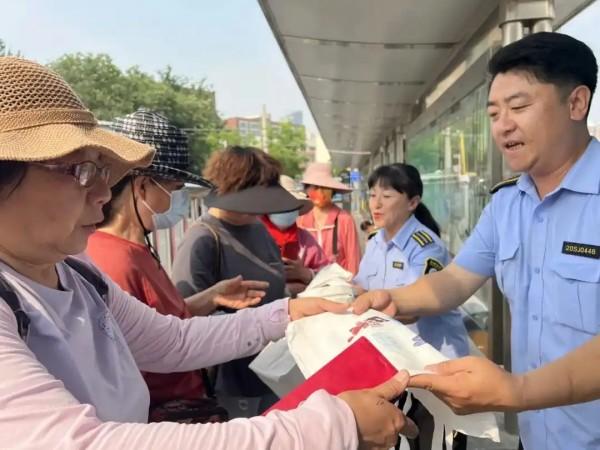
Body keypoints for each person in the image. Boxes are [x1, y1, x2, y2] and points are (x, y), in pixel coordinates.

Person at [0, 56, 418, 449]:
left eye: (103, 172)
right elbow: (84, 443)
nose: (103, 192)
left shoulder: (78, 274)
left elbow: (172, 340)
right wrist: (332, 426)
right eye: (81, 170)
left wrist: (285, 314)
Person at [353, 32, 600, 450]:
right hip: (536, 436)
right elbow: (455, 280)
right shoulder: (507, 204)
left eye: (519, 107)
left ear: (576, 103)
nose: (503, 125)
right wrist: (393, 299)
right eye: (494, 113)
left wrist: (517, 390)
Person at [87, 108, 269, 422]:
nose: (177, 202)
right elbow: (158, 346)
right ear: (142, 186)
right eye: (173, 190)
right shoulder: (112, 260)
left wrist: (211, 297)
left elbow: (158, 324)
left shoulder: (138, 249)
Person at [171, 146, 300, 416]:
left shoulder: (259, 230)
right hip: (233, 381)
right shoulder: (203, 239)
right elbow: (185, 316)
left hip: (276, 369)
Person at [354, 163, 469, 449]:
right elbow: (360, 288)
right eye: (372, 195)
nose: (376, 204)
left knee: (438, 439)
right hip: (397, 361)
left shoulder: (426, 246)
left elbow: (414, 308)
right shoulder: (375, 242)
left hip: (435, 363)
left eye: (387, 196)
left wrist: (370, 308)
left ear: (413, 202)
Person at [261, 175, 329, 296]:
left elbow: (329, 276)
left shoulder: (306, 240)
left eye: (291, 204)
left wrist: (305, 274)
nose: (286, 209)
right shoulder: (253, 236)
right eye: (279, 204)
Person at [297, 162, 361, 275]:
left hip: (339, 283)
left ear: (332, 190)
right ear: (307, 190)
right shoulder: (300, 220)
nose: (320, 192)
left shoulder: (344, 219)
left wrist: (352, 284)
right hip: (307, 283)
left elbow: (353, 260)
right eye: (315, 188)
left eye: (324, 188)